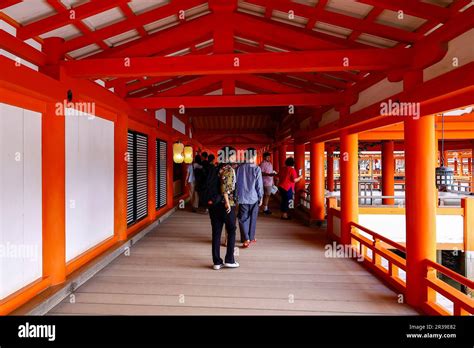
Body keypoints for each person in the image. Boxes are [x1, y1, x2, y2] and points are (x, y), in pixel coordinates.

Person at [207, 146, 239, 270]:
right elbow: (225, 188)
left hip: (213, 204)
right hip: (226, 204)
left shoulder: (215, 167)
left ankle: (217, 262)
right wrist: (227, 202)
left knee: (216, 232)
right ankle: (230, 260)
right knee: (231, 230)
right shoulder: (229, 169)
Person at [236, 148, 263, 248]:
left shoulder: (239, 168)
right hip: (254, 197)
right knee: (253, 217)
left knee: (243, 218)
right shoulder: (256, 168)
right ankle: (250, 237)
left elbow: (236, 184)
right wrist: (261, 197)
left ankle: (246, 238)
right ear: (254, 156)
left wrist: (236, 196)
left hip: (242, 197)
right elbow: (259, 185)